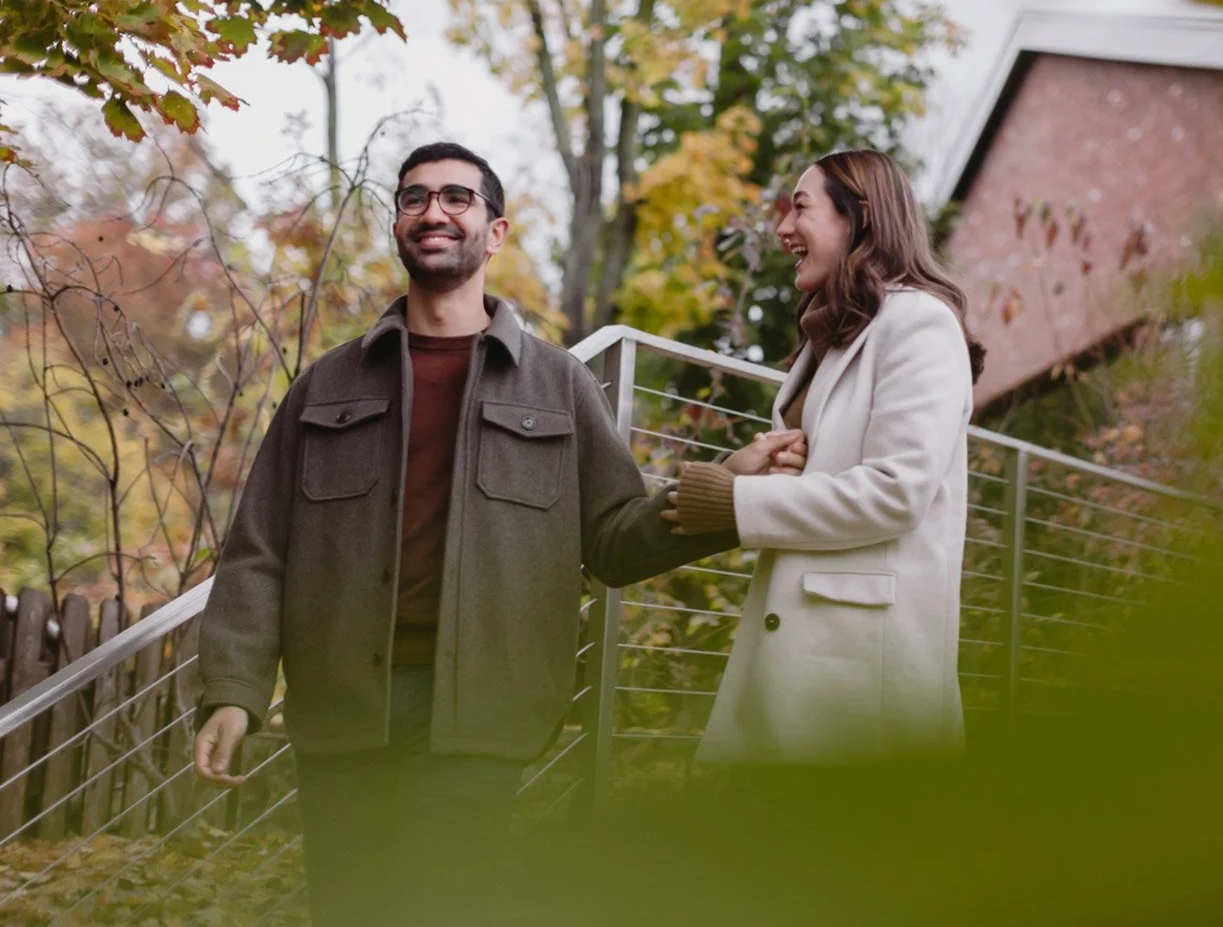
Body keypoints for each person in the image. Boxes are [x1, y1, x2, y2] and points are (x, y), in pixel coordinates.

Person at [190, 142, 793, 924]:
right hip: (342, 705)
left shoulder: (558, 383)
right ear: (398, 224)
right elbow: (259, 549)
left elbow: (612, 534)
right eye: (413, 198)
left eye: (455, 197)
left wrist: (728, 486)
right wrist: (233, 688)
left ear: (495, 231)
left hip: (480, 711)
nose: (432, 211)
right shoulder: (327, 384)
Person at [665, 148, 985, 764]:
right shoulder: (835, 337)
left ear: (859, 219)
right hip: (797, 655)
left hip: (862, 680)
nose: (784, 229)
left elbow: (896, 492)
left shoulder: (919, 322)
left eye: (800, 209)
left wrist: (736, 503)